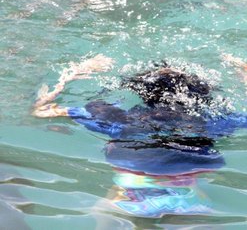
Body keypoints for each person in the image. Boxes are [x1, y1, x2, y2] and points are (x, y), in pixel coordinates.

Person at [32, 54, 247, 216]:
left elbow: (42, 111)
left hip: (129, 194)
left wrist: (75, 73)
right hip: (186, 196)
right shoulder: (211, 122)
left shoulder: (121, 118)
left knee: (109, 215)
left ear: (141, 94)